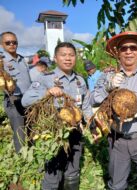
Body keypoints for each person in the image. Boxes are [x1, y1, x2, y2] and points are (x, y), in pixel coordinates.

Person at [91, 31, 137, 190]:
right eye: (124, 48)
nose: (128, 51)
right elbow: (94, 98)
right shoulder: (107, 75)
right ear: (118, 52)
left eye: (133, 47)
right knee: (117, 184)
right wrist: (109, 87)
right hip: (118, 139)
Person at [22, 42, 93, 190]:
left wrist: (91, 122)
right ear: (55, 58)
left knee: (73, 171)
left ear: (76, 58)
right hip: (53, 136)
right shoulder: (45, 78)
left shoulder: (80, 80)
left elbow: (85, 105)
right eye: (63, 55)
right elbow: (25, 100)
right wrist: (46, 93)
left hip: (75, 133)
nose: (68, 58)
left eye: (71, 55)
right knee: (53, 174)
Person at [0, 31, 31, 153]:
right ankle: (23, 160)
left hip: (28, 100)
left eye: (14, 42)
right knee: (20, 132)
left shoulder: (22, 60)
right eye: (8, 43)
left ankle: (33, 155)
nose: (12, 44)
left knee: (31, 129)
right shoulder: (1, 61)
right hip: (13, 101)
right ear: (2, 44)